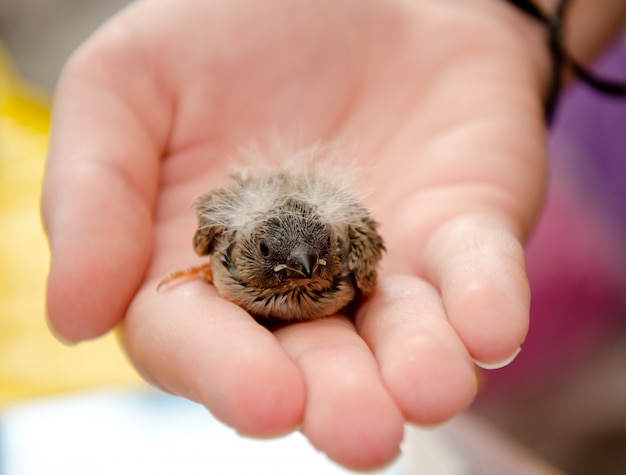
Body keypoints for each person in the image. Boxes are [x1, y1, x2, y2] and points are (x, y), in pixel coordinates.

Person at [41, 0, 626, 470]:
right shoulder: (225, 230)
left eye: (318, 258)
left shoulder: (350, 252)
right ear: (243, 248)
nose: (303, 269)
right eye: (281, 259)